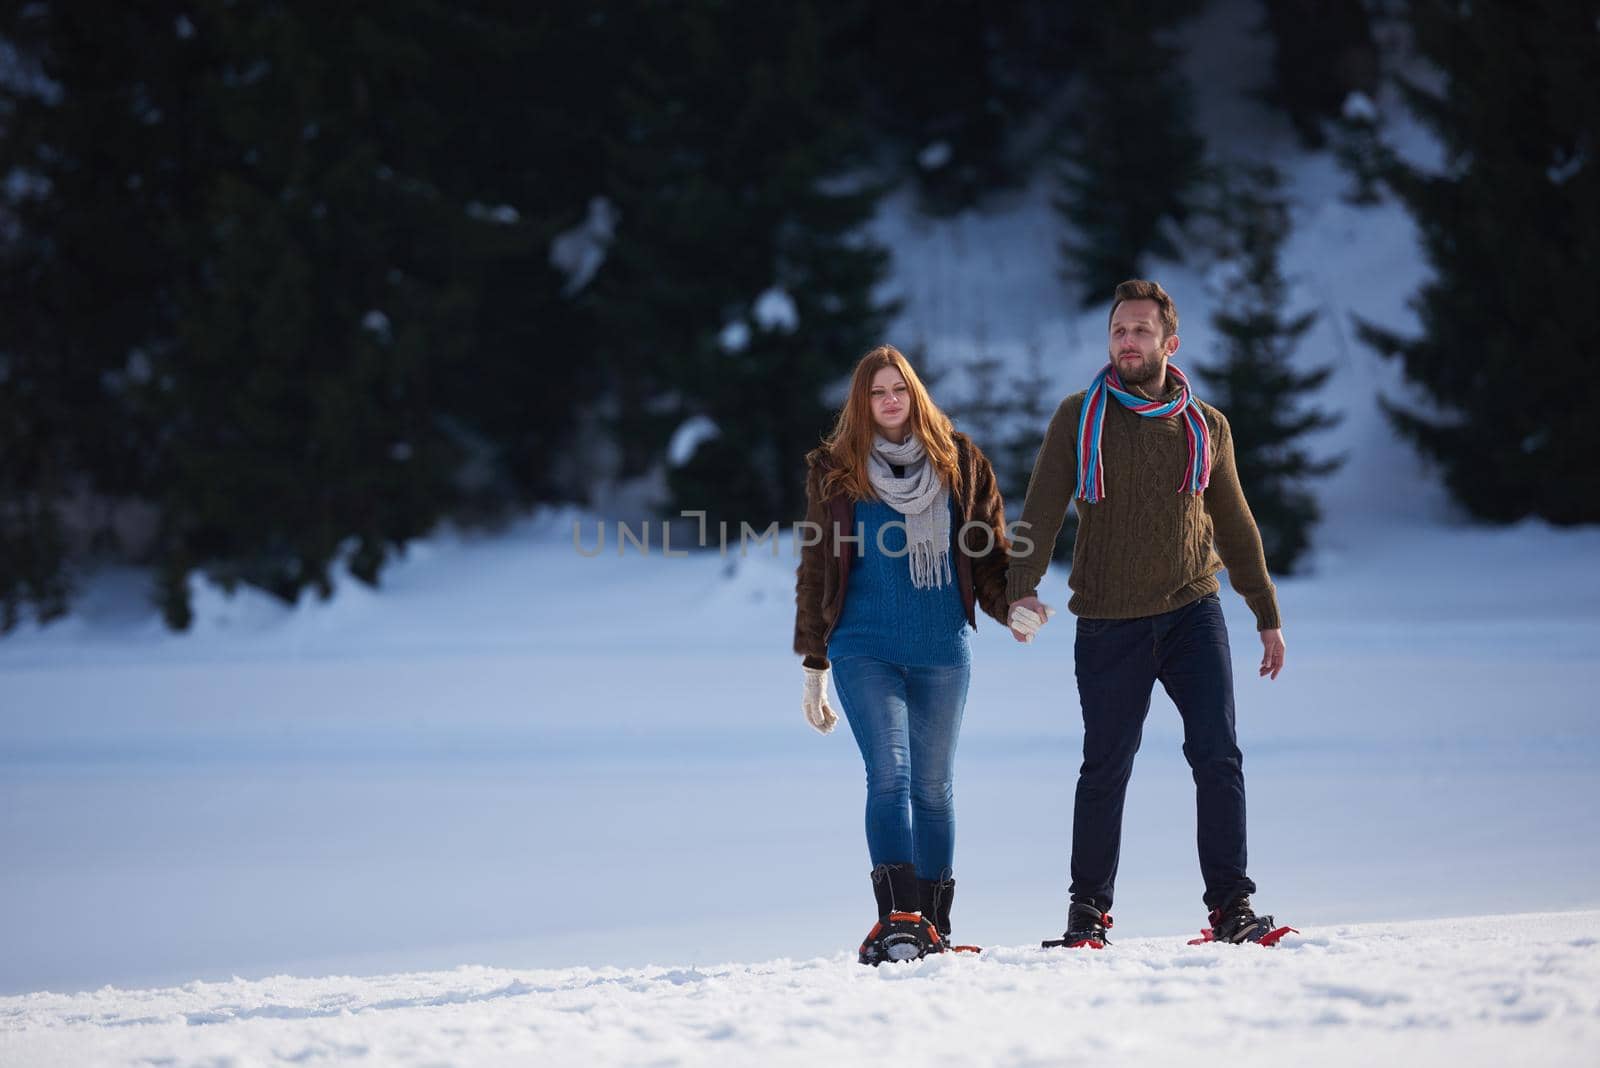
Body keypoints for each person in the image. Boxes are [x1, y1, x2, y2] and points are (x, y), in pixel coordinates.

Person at [1006, 279, 1290, 949]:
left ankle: (1231, 909)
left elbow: (1236, 524)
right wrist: (1021, 586)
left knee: (1217, 756)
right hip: (1108, 619)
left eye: (1140, 330)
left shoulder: (1206, 426)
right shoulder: (1079, 415)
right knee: (1105, 764)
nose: (1127, 341)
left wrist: (1265, 612)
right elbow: (1041, 510)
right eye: (1118, 331)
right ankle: (1087, 913)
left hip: (1194, 609)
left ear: (1170, 343)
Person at [793, 344, 1011, 965]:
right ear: (861, 404)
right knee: (890, 775)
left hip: (943, 647)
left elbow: (990, 555)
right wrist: (815, 664)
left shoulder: (960, 461)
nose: (890, 401)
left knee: (935, 788)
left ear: (914, 393)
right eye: (876, 392)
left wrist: (1014, 604)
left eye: (899, 389)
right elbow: (817, 567)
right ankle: (898, 919)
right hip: (864, 647)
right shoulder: (836, 470)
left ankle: (934, 926)